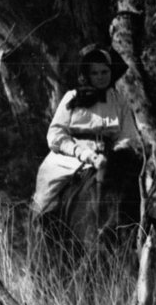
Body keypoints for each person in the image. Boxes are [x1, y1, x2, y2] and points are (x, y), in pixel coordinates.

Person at [31, 43, 147, 243]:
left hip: (111, 157)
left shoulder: (119, 101)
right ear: (87, 74)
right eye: (95, 73)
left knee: (151, 192)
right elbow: (56, 134)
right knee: (45, 195)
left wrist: (115, 155)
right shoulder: (72, 97)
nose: (101, 76)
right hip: (71, 157)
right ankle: (44, 239)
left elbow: (128, 135)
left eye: (104, 72)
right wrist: (84, 153)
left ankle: (148, 238)